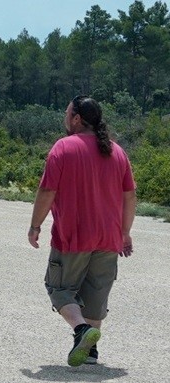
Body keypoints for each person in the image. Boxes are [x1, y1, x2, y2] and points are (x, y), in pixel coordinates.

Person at [28, 96, 135, 367]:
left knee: (59, 287)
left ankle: (82, 331)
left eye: (67, 113)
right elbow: (129, 196)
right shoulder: (117, 151)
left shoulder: (63, 148)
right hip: (108, 237)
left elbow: (47, 191)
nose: (65, 118)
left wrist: (35, 225)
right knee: (95, 295)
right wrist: (125, 232)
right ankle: (91, 351)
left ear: (76, 118)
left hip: (73, 235)